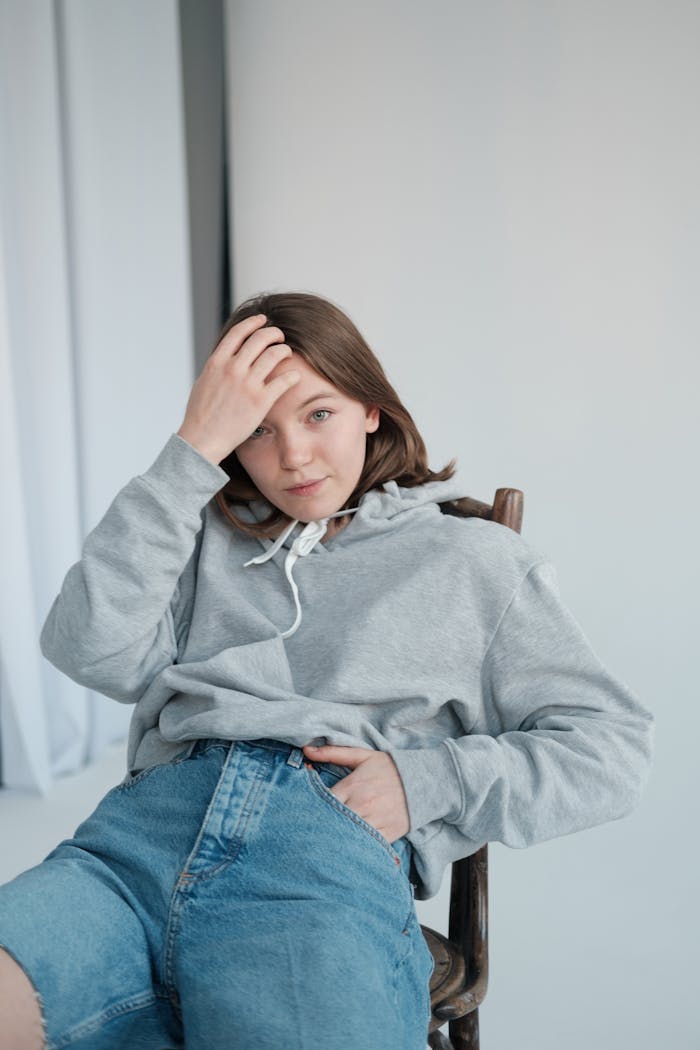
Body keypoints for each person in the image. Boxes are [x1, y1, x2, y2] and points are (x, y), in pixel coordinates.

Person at [0, 291, 654, 1049]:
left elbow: (612, 748)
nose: (294, 456)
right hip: (137, 844)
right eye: (255, 430)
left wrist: (423, 783)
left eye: (319, 414)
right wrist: (187, 457)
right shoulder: (198, 536)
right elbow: (86, 646)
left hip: (319, 858)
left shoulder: (473, 560)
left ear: (371, 407)